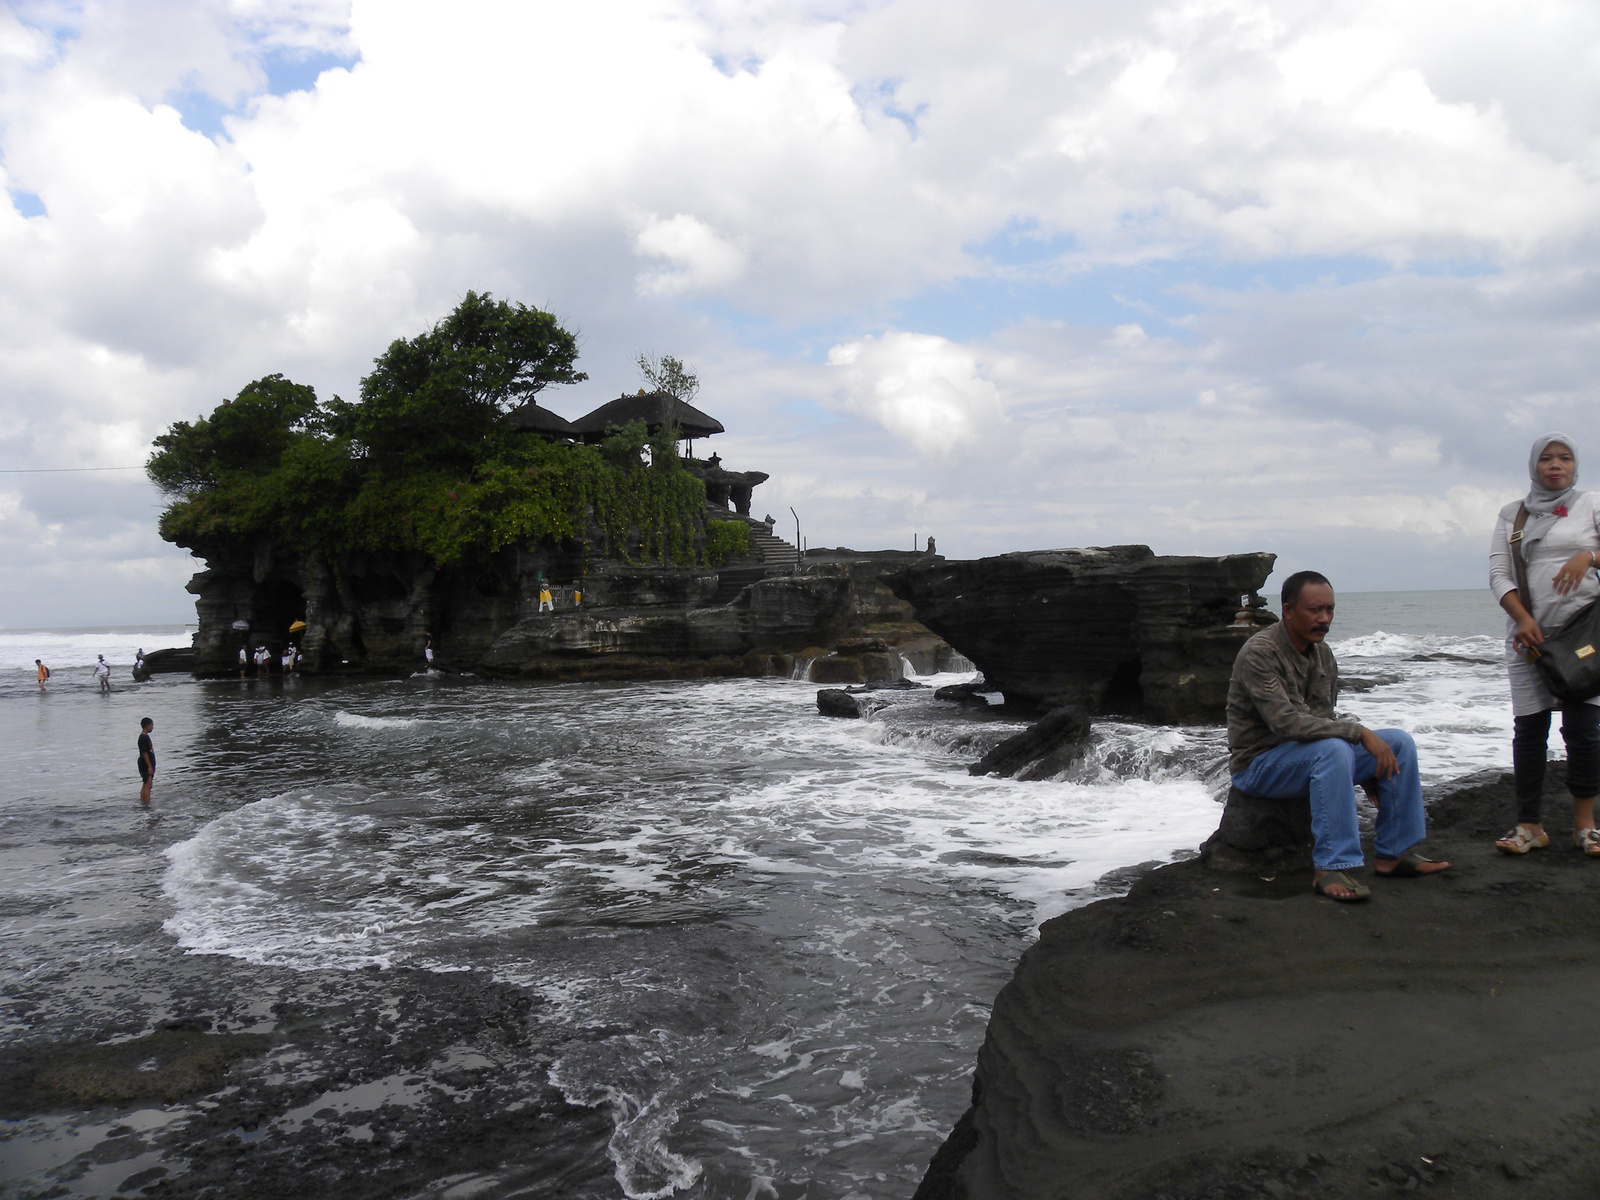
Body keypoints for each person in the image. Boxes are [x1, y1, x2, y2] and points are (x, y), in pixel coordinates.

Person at [1226, 570, 1450, 902]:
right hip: (1258, 765)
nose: (1324, 618)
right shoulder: (1260, 653)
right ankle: (1330, 866)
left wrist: (1367, 766)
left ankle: (1395, 854)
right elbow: (1286, 724)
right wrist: (1359, 733)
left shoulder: (1322, 654)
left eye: (1329, 610)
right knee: (1334, 750)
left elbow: (1323, 718)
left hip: (1306, 757)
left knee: (1398, 743)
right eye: (1314, 610)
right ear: (1288, 610)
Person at [1488, 433, 1600, 857]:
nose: (1556, 465)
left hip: (1585, 638)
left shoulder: (1592, 504)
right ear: (1534, 466)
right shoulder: (1512, 514)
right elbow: (1500, 574)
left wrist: (1588, 557)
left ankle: (1585, 827)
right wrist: (1523, 619)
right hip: (1528, 642)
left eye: (1565, 458)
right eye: (1547, 459)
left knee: (1583, 732)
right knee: (1530, 733)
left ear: (1575, 466)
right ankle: (1529, 825)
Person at [137, 717, 155, 805]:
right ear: (147, 726)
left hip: (146, 763)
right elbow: (144, 753)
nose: (152, 727)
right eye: (152, 725)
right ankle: (147, 804)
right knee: (148, 785)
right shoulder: (143, 738)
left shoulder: (144, 737)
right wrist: (149, 766)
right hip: (146, 764)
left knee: (146, 783)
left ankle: (143, 802)